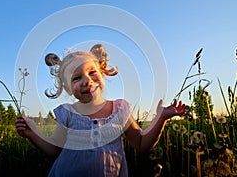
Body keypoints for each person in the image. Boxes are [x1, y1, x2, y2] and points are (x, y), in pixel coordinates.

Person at [15, 44, 186, 177]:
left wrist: (161, 117)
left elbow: (141, 144)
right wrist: (33, 134)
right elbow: (54, 149)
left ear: (102, 73)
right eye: (76, 78)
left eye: (92, 72)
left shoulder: (119, 110)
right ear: (67, 88)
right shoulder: (67, 113)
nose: (86, 81)